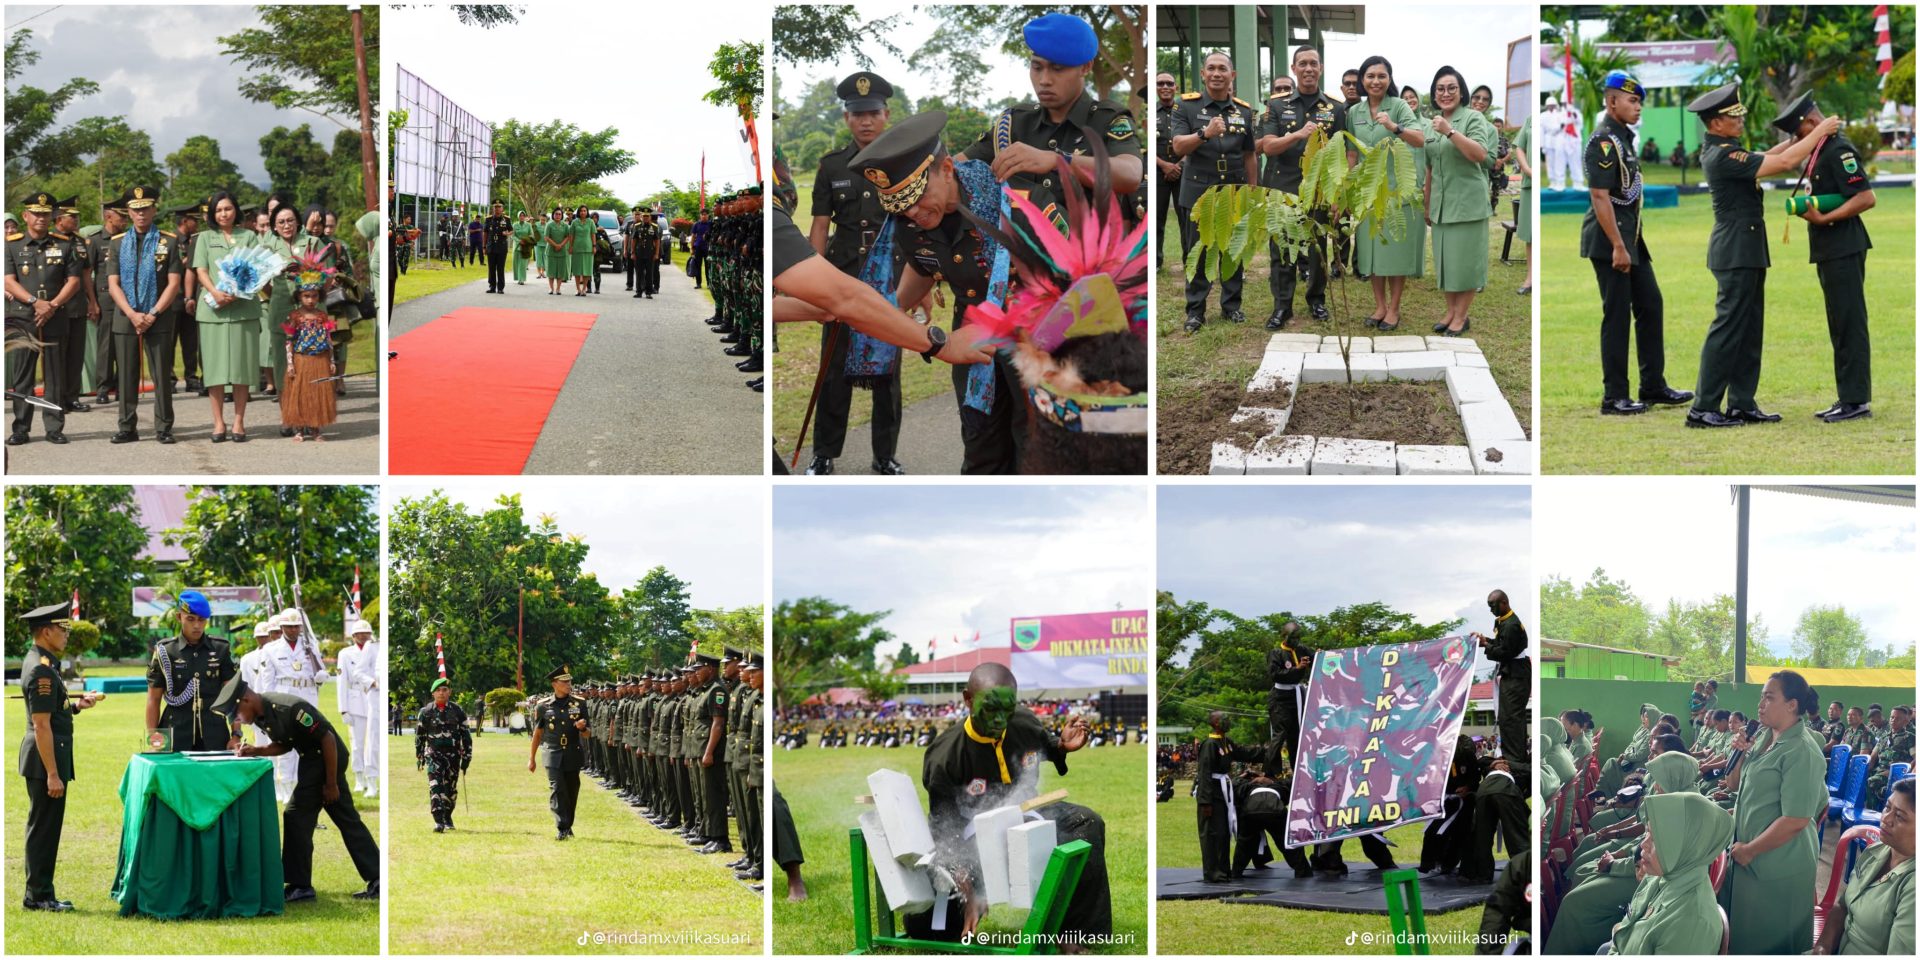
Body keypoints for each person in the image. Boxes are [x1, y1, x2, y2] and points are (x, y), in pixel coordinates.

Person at [910, 662, 1111, 947]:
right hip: (971, 835)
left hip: (1026, 812)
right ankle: (947, 915)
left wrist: (1061, 746)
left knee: (1086, 823)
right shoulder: (946, 755)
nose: (999, 719)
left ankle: (1073, 931)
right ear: (968, 699)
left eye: (1007, 709)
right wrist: (967, 889)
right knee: (935, 930)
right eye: (990, 709)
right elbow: (946, 830)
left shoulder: (1023, 721)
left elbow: (1046, 745)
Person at [1683, 83, 1841, 428]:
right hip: (1735, 251)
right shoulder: (1723, 155)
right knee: (1727, 330)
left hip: (1748, 249)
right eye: (1733, 116)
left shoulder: (1728, 150)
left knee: (1749, 329)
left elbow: (1771, 155)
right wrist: (1821, 131)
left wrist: (1801, 134)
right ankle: (1703, 408)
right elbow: (1784, 162)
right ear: (1716, 123)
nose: (1741, 120)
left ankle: (1741, 403)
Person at [808, 70, 907, 477]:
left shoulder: (905, 162)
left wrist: (920, 283)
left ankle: (885, 455)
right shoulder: (832, 166)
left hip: (890, 280)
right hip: (841, 278)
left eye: (873, 113)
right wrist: (813, 282)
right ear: (846, 118)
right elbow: (819, 226)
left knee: (888, 373)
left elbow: (916, 225)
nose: (866, 121)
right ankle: (824, 454)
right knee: (833, 372)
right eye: (858, 114)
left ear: (886, 115)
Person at [212, 675, 380, 901]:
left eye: (238, 714)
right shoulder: (262, 715)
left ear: (246, 700)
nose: (239, 720)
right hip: (311, 760)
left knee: (295, 816)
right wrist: (257, 751)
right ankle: (377, 878)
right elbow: (285, 743)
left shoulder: (289, 709)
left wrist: (331, 784)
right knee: (346, 818)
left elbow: (328, 739)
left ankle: (300, 886)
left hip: (325, 759)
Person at [1580, 72, 1690, 416]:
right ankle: (1614, 396)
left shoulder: (1623, 138)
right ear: (1612, 102)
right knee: (1616, 316)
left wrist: (1628, 242)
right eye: (1632, 100)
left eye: (1639, 101)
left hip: (1632, 238)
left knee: (1651, 305)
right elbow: (1600, 196)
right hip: (1610, 241)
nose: (1638, 106)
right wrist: (1617, 245)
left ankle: (1653, 385)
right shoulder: (1604, 141)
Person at [1774, 93, 1878, 423]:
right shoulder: (1821, 148)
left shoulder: (1838, 150)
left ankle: (1856, 401)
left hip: (1844, 246)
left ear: (1812, 122)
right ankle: (1847, 397)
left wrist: (1826, 218)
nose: (1797, 140)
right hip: (1830, 248)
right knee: (1838, 323)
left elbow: (1866, 197)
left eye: (1799, 132)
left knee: (1849, 323)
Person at [1720, 669, 1828, 953]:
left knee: (1770, 940)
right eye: (1761, 697)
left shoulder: (1801, 751)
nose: (1760, 705)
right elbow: (1733, 784)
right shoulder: (1763, 738)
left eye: (1769, 698)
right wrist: (1740, 753)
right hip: (1746, 854)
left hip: (1778, 862)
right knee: (1743, 936)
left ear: (1792, 705)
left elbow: (1796, 819)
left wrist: (1751, 849)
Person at [18, 601, 106, 911]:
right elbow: (41, 725)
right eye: (62, 629)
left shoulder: (44, 662)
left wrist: (77, 706)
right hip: (45, 762)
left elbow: (53, 712)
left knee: (46, 827)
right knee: (43, 829)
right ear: (46, 632)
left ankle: (42, 893)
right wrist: (53, 774)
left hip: (48, 758)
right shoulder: (41, 669)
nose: (67, 634)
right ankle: (38, 897)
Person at [1255, 44, 1345, 329]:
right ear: (1294, 69)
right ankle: (1282, 306)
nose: (1308, 68)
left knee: (1317, 248)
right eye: (1302, 63)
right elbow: (1268, 147)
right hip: (1283, 187)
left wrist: (1336, 196)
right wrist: (1297, 135)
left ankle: (1316, 300)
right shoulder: (1276, 106)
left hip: (1319, 189)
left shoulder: (1336, 108)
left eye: (1313, 63)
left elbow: (1341, 156)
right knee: (1282, 248)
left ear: (1321, 68)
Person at [1172, 52, 1259, 332]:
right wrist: (1204, 134)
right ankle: (1195, 311)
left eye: (1223, 69)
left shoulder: (1243, 111)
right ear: (1203, 73)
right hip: (1199, 190)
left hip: (1233, 189)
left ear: (1232, 75)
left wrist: (1252, 191)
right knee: (1198, 252)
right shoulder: (1186, 106)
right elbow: (1178, 146)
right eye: (1211, 68)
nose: (1217, 73)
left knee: (1233, 250)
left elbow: (1250, 155)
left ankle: (1231, 306)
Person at [98, 185, 188, 444]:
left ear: (154, 209)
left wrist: (152, 313)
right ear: (128, 212)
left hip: (158, 315)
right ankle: (127, 427)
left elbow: (173, 283)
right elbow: (113, 283)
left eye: (145, 208)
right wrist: (132, 314)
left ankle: (164, 427)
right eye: (135, 209)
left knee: (161, 374)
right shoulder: (117, 243)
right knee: (126, 374)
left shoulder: (168, 241)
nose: (140, 214)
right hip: (126, 315)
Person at [1348, 55, 1427, 332]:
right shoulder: (1354, 112)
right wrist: (1349, 188)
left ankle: (1394, 309)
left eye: (1381, 76)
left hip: (1397, 193)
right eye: (1370, 76)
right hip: (1367, 193)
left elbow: (1420, 139)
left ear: (1389, 79)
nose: (1376, 81)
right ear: (1362, 80)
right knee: (1372, 252)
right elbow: (1351, 152)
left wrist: (1394, 127)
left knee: (1395, 253)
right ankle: (1379, 305)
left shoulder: (1400, 106)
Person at [1607, 791, 1736, 954]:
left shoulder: (1691, 927)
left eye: (1656, 839)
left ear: (1686, 847)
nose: (1644, 844)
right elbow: (1628, 925)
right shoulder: (1663, 875)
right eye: (1647, 832)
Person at [1422, 66, 1495, 337]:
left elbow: (1480, 155)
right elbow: (1430, 167)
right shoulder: (1432, 124)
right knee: (1447, 262)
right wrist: (1427, 204)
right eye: (1440, 89)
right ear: (1434, 94)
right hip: (1441, 205)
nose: (1446, 93)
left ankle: (1461, 316)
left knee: (1466, 263)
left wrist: (1450, 132)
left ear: (1461, 92)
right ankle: (1451, 311)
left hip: (1467, 204)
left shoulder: (1473, 118)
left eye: (1451, 88)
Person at [6, 192, 83, 445]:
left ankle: (54, 427)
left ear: (52, 216)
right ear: (25, 216)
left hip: (55, 316)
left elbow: (74, 281)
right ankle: (21, 428)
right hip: (22, 318)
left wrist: (52, 305)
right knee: (22, 376)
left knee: (55, 376)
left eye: (45, 213)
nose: (41, 217)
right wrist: (35, 302)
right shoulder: (12, 245)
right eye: (36, 213)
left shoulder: (64, 244)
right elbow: (8, 281)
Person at [189, 192, 266, 442]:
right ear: (212, 213)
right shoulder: (204, 238)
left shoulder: (249, 236)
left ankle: (239, 422)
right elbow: (200, 270)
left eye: (228, 208)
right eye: (219, 210)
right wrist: (215, 292)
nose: (224, 214)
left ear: (236, 210)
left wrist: (239, 291)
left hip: (243, 309)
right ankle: (218, 422)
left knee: (242, 369)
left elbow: (257, 269)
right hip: (213, 310)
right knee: (215, 371)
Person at [1813, 776, 1914, 954]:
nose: (1886, 818)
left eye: (1899, 816)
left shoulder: (1912, 888)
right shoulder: (1875, 851)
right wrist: (1823, 947)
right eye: (1887, 807)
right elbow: (1843, 905)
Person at [142, 590, 236, 750]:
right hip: (175, 733)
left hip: (214, 734)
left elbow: (232, 696)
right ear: (179, 617)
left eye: (201, 620)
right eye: (190, 619)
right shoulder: (166, 651)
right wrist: (153, 737)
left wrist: (236, 735)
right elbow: (153, 699)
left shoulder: (220, 649)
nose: (197, 625)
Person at [1195, 710, 1262, 882]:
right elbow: (1204, 774)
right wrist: (1205, 802)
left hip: (1223, 792)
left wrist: (1268, 752)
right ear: (1216, 723)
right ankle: (1213, 872)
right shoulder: (1210, 744)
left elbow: (1244, 753)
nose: (1228, 721)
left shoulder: (1226, 742)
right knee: (1212, 834)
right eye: (1225, 719)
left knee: (1223, 833)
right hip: (1212, 795)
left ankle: (1223, 870)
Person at [279, 263, 338, 441]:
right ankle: (299, 428)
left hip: (320, 360)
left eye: (314, 296)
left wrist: (332, 361)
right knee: (300, 393)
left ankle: (315, 428)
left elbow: (328, 340)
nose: (310, 300)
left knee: (317, 394)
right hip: (301, 359)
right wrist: (290, 363)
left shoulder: (322, 316)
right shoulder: (295, 316)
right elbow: (289, 341)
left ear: (319, 296)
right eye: (306, 296)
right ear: (299, 296)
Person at [1471, 589, 1529, 766]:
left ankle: (1515, 759)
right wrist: (1485, 641)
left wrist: (1486, 645)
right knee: (1506, 717)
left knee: (1511, 718)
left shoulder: (1511, 624)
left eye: (1493, 606)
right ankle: (1511, 756)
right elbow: (1501, 644)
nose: (1491, 610)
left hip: (1516, 673)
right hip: (1511, 672)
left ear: (1504, 603)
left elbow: (1505, 652)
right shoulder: (1503, 620)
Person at [530, 664, 588, 839]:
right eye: (564, 682)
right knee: (557, 789)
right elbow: (538, 733)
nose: (569, 685)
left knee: (571, 791)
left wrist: (582, 728)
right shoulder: (543, 706)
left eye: (569, 681)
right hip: (552, 753)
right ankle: (562, 827)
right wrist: (531, 758)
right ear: (554, 684)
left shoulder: (580, 703)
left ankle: (568, 825)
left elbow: (588, 734)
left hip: (572, 752)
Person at [415, 677, 472, 832]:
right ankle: (438, 820)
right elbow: (420, 736)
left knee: (450, 790)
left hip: (453, 757)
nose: (441, 693)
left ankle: (447, 817)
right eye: (438, 690)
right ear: (433, 693)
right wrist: (419, 756)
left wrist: (467, 757)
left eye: (444, 690)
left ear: (450, 692)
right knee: (435, 786)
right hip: (433, 755)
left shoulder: (458, 711)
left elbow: (466, 735)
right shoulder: (426, 712)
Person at [1152, 72, 1186, 274]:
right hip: (1158, 171)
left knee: (1186, 219)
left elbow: (1196, 141)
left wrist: (1179, 165)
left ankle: (1189, 260)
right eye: (1160, 83)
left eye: (1169, 83)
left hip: (1184, 171)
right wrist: (1164, 165)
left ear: (1176, 87)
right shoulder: (1150, 112)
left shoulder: (1185, 111)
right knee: (1156, 219)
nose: (1165, 87)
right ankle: (1155, 262)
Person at [483, 201, 511, 294]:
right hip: (491, 247)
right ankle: (492, 287)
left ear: (502, 209)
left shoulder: (506, 219)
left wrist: (507, 233)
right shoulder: (488, 219)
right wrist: (484, 247)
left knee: (500, 268)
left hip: (501, 247)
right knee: (491, 268)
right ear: (493, 209)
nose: (497, 209)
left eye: (499, 207)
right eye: (495, 207)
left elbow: (511, 230)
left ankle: (500, 288)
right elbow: (485, 233)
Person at [569, 206, 595, 297]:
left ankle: (584, 289)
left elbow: (593, 235)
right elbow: (571, 235)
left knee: (587, 270)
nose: (583, 212)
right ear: (578, 212)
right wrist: (570, 246)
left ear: (587, 212)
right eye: (581, 211)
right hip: (576, 248)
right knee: (577, 269)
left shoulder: (591, 222)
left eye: (584, 211)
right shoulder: (574, 222)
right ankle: (578, 289)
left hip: (588, 248)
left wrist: (594, 246)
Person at [543, 207, 570, 297]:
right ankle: (551, 288)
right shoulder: (549, 225)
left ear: (562, 216)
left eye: (559, 214)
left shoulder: (565, 225)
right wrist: (555, 245)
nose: (558, 216)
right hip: (551, 250)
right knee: (551, 270)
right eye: (556, 214)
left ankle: (558, 288)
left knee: (560, 271)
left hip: (562, 251)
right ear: (553, 215)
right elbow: (546, 237)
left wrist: (561, 245)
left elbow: (568, 237)